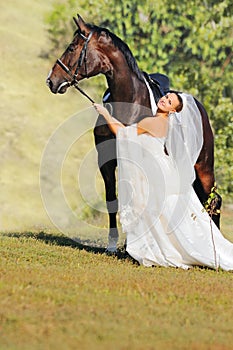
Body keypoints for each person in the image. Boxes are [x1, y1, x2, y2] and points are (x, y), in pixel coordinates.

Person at [93, 93, 233, 270]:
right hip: (161, 168)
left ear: (173, 110)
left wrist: (105, 114)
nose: (164, 100)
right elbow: (129, 132)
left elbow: (122, 133)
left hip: (154, 172)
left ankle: (159, 248)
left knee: (156, 210)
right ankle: (165, 246)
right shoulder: (163, 123)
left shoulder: (153, 121)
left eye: (169, 102)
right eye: (166, 97)